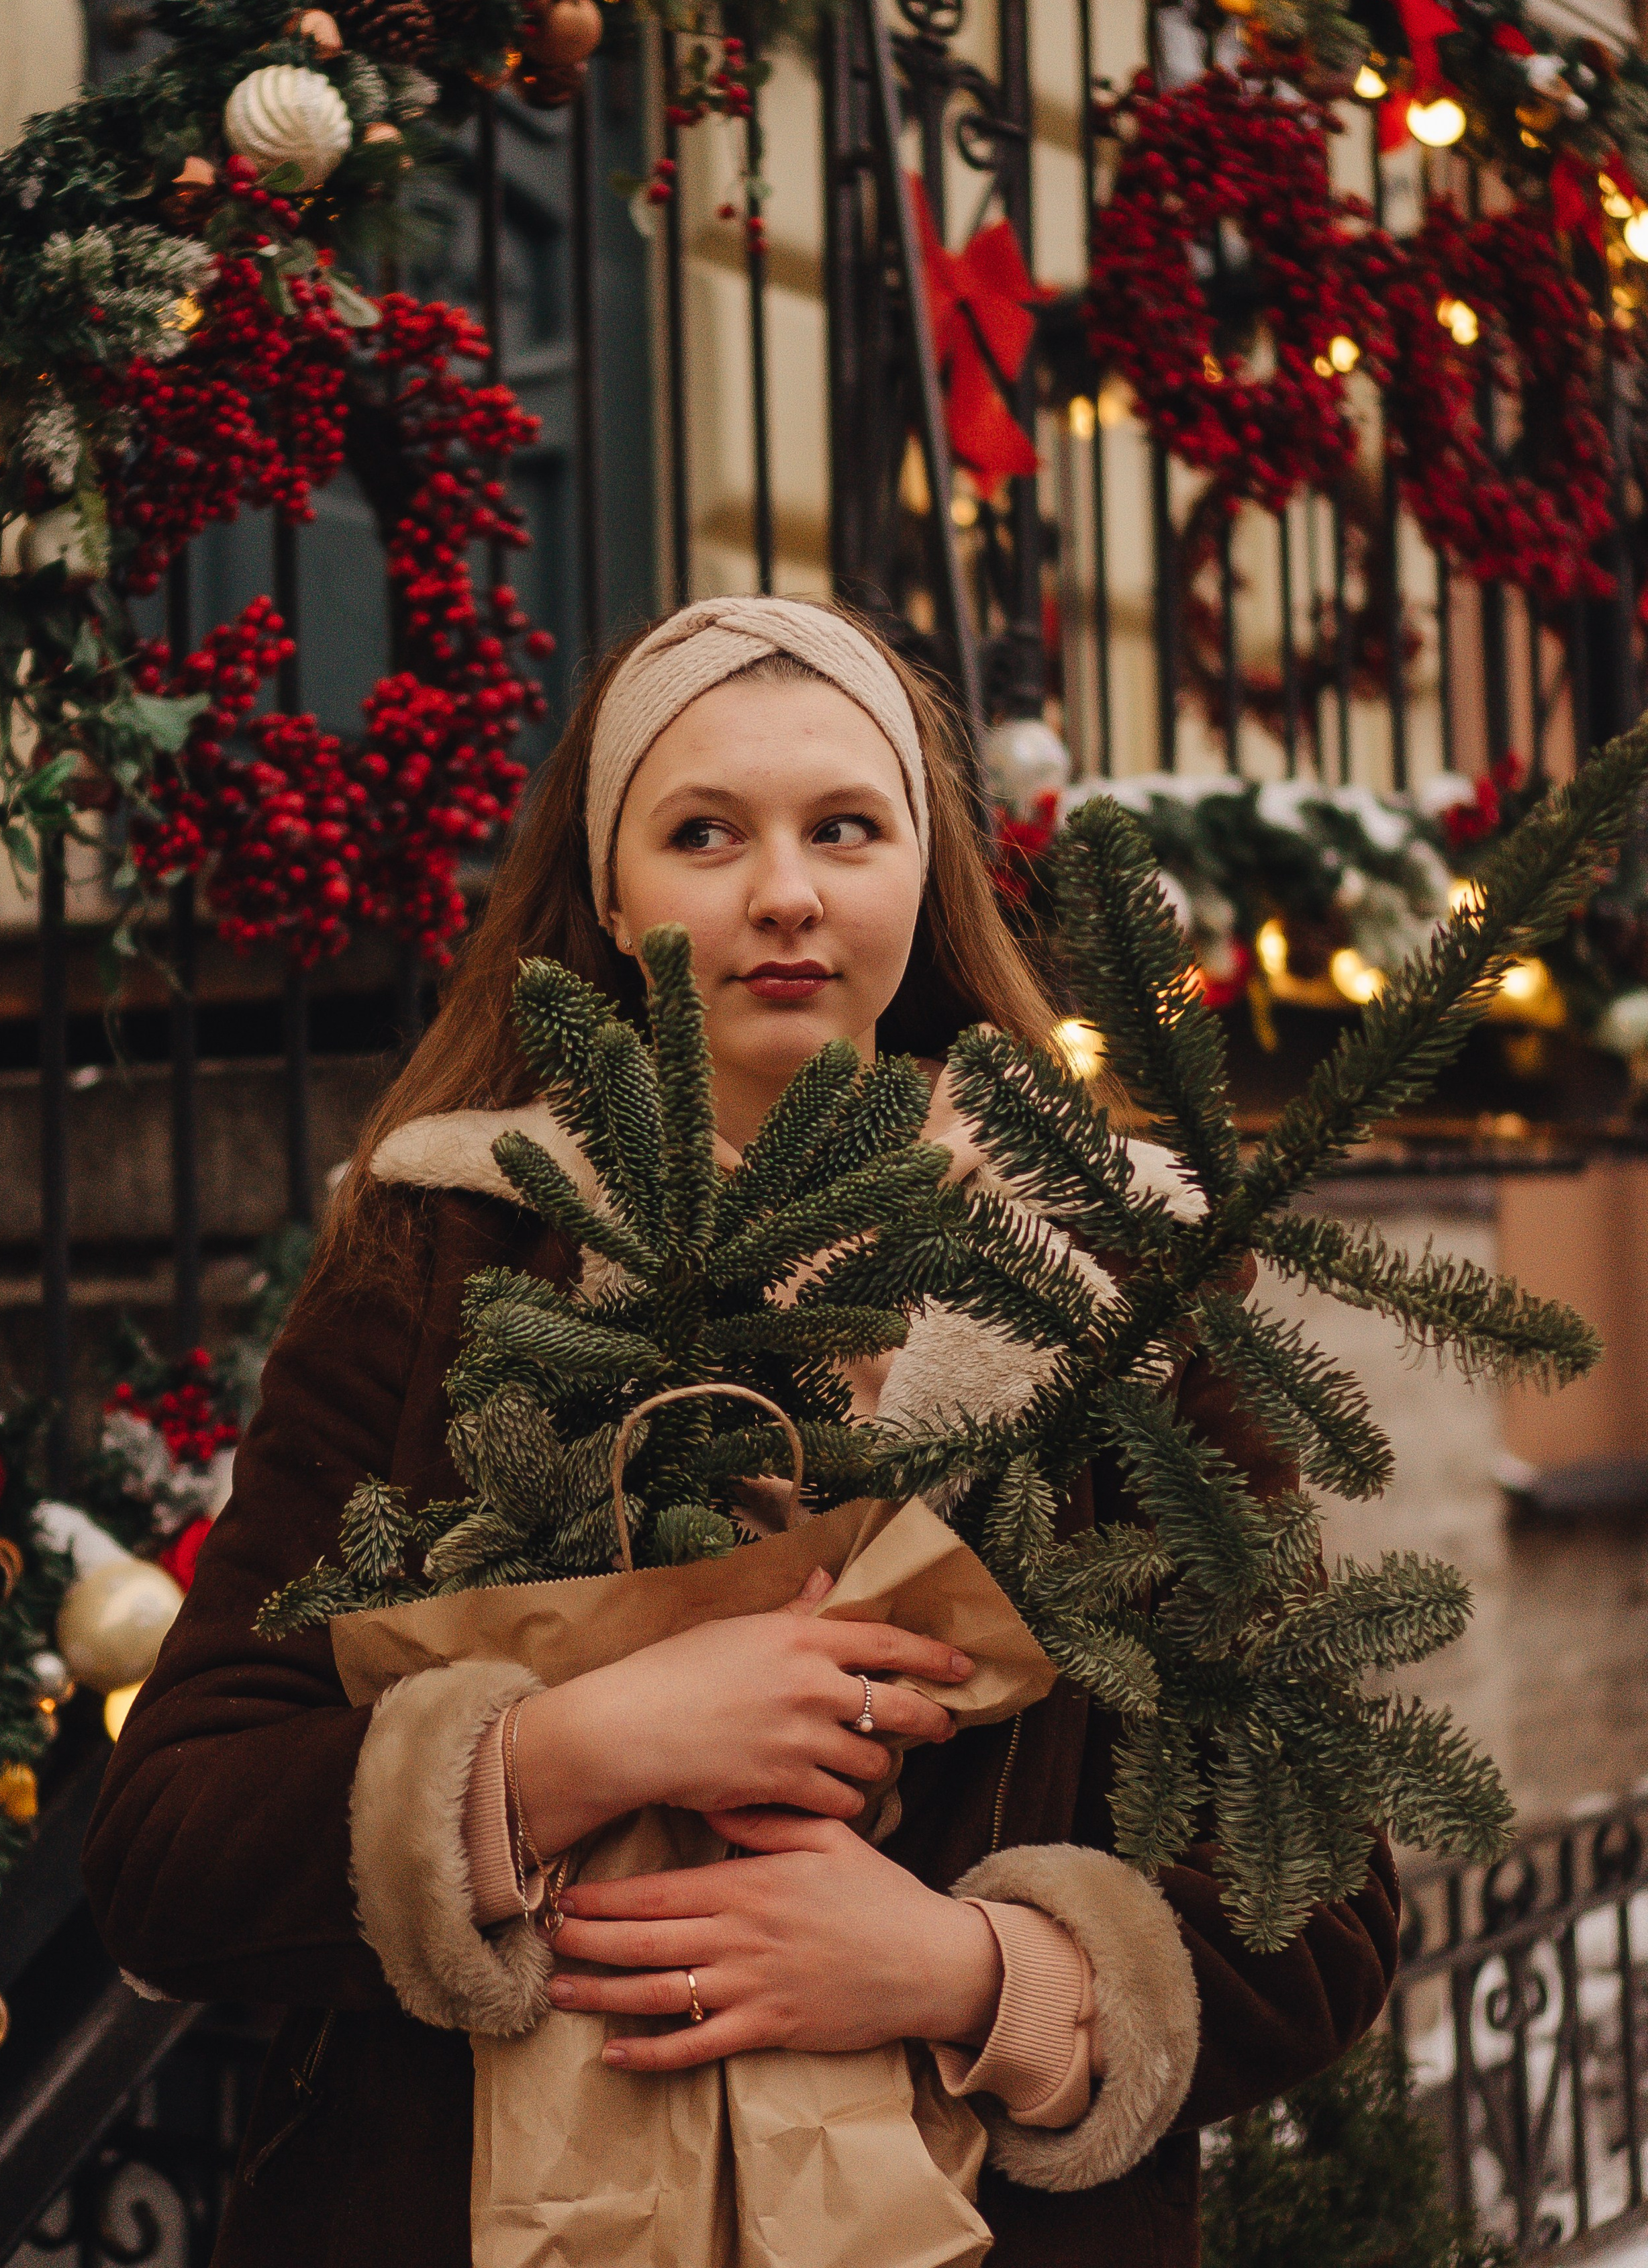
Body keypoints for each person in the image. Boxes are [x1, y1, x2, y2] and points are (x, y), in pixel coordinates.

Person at [84, 596, 1398, 2268]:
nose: (783, 891)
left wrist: (967, 1973)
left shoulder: (1109, 1286)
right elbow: (165, 1850)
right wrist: (575, 1751)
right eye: (705, 833)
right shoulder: (439, 1258)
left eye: (843, 828)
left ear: (923, 881)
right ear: (612, 888)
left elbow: (1326, 1903)